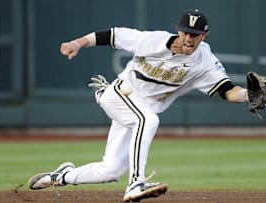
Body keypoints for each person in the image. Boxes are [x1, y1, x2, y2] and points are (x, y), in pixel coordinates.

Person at [28, 9, 250, 202]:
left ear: (205, 35)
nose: (189, 39)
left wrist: (250, 95)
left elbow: (227, 91)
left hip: (135, 111)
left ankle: (61, 176)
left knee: (111, 170)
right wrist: (77, 43)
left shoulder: (205, 62)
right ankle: (136, 183)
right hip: (119, 93)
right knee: (149, 120)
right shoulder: (153, 41)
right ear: (177, 29)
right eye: (185, 32)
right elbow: (111, 35)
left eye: (195, 34)